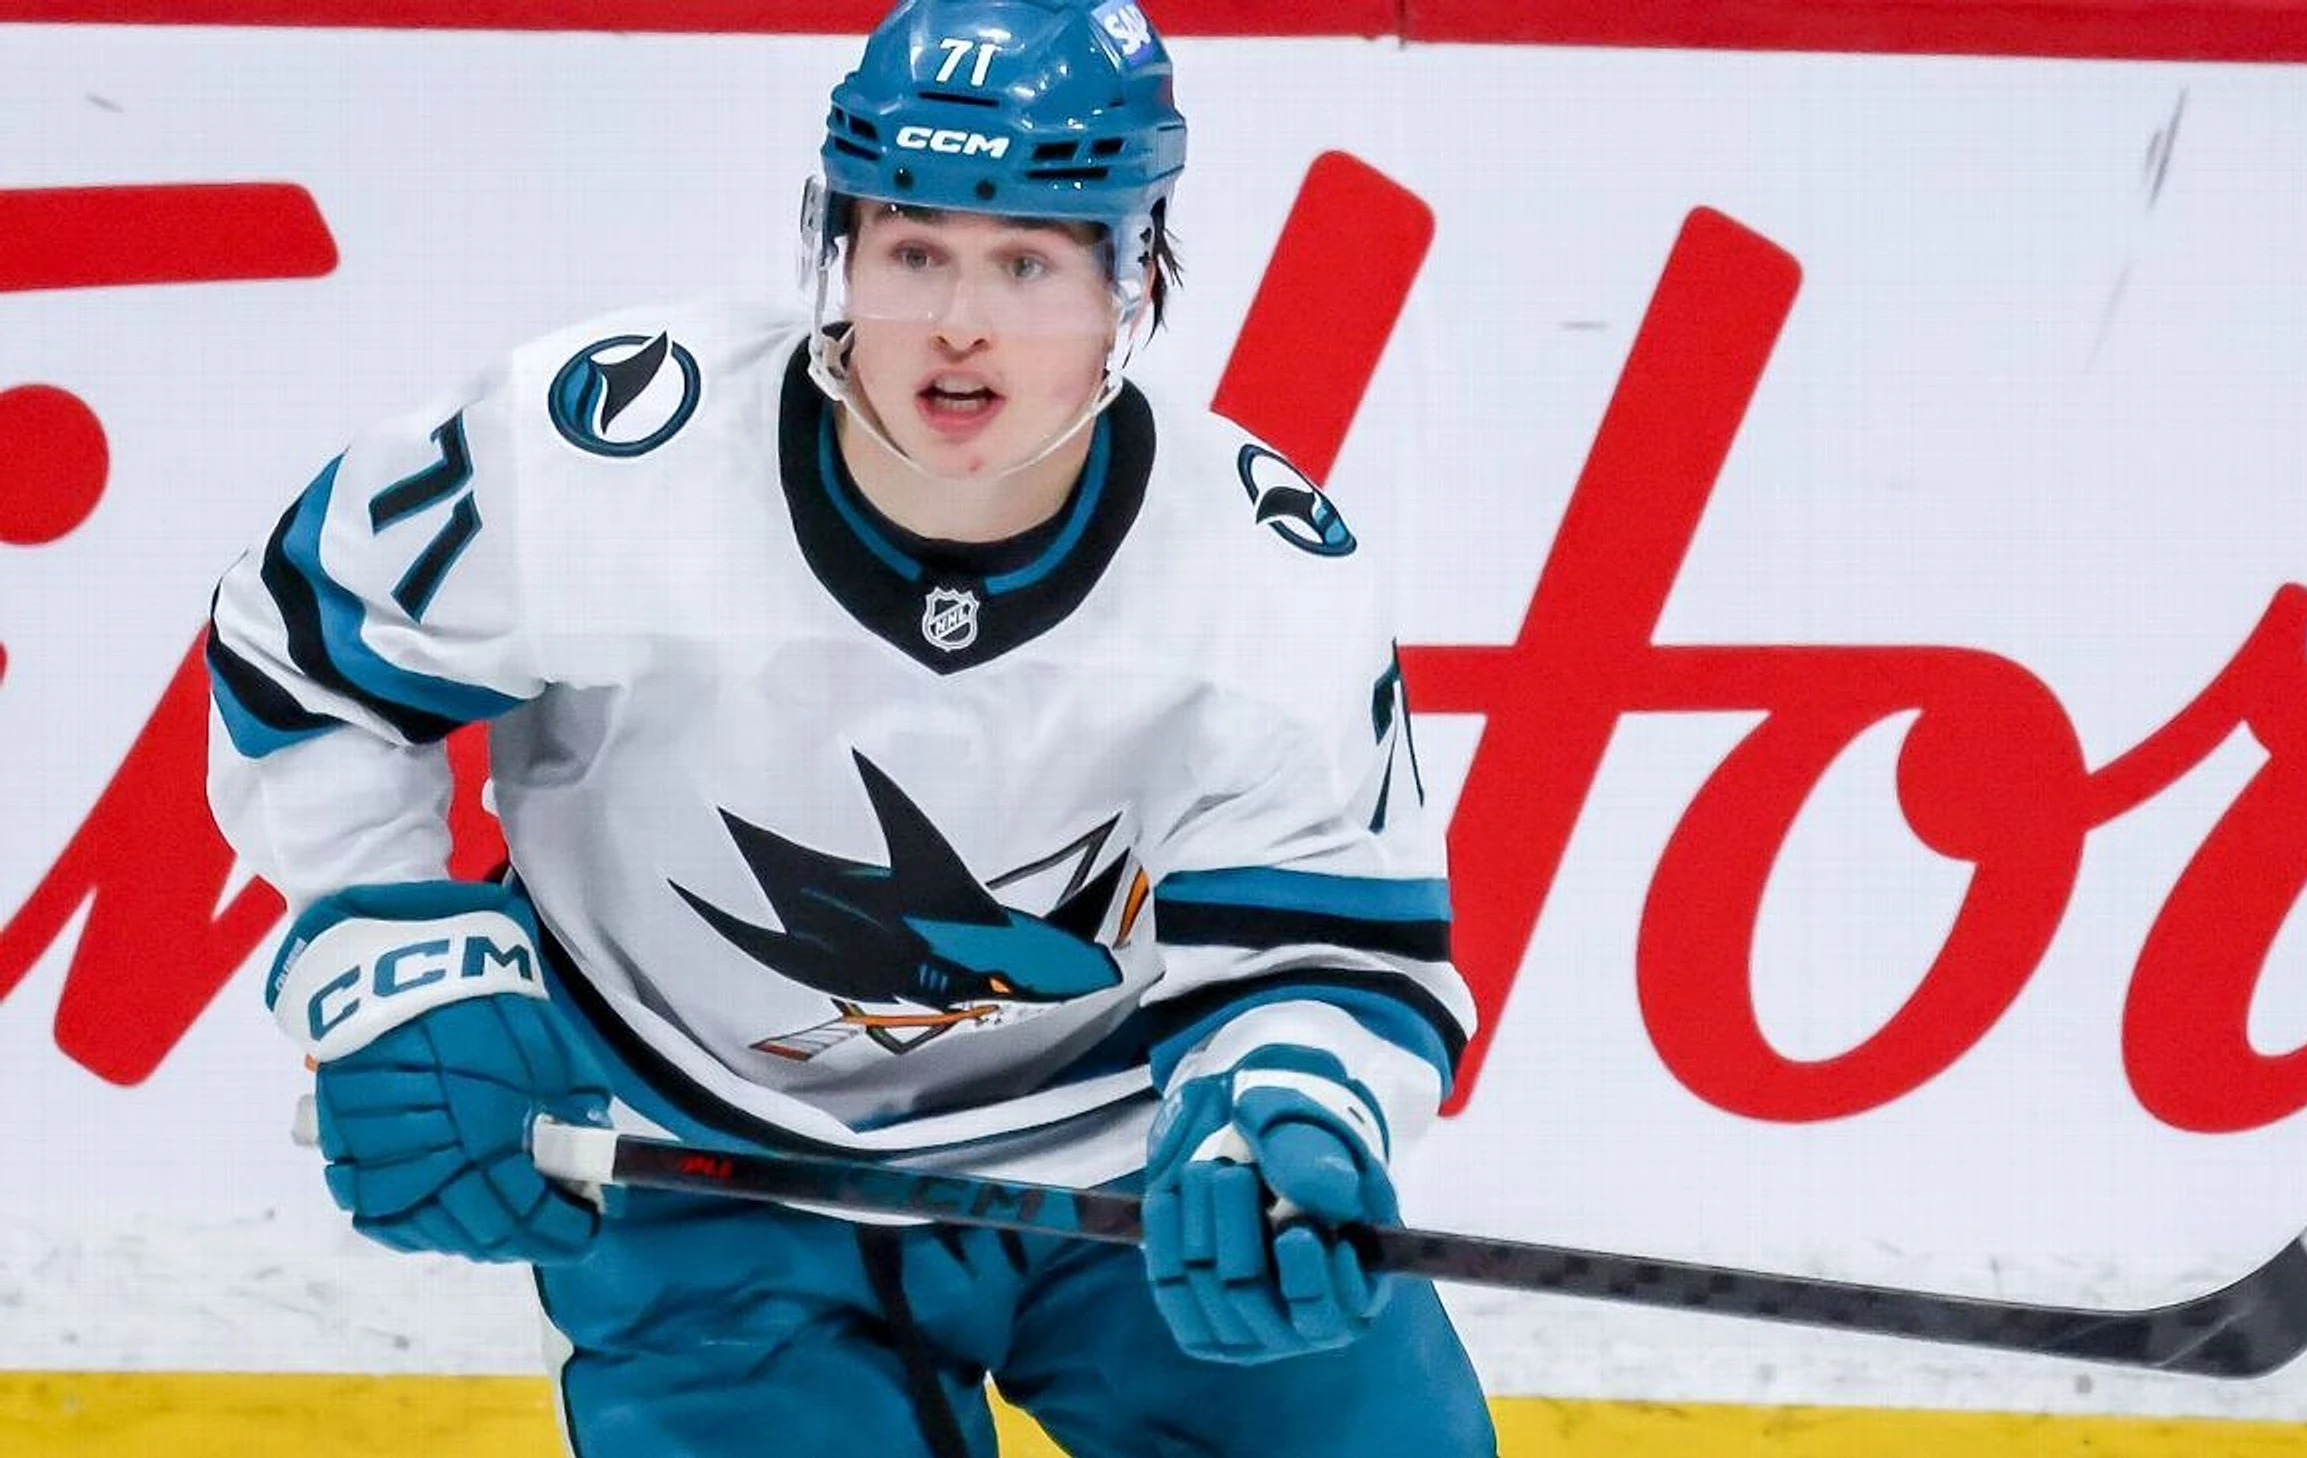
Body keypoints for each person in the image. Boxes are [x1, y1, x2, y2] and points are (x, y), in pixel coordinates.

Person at [201, 1, 1496, 1454]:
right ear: (839, 249)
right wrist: (393, 965)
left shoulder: (1261, 577)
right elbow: (305, 656)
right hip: (702, 1176)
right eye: (915, 250)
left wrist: (1287, 1120)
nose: (961, 322)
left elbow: (1330, 951)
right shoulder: (603, 456)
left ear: (1133, 279)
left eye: (1026, 263)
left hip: (1131, 1173)